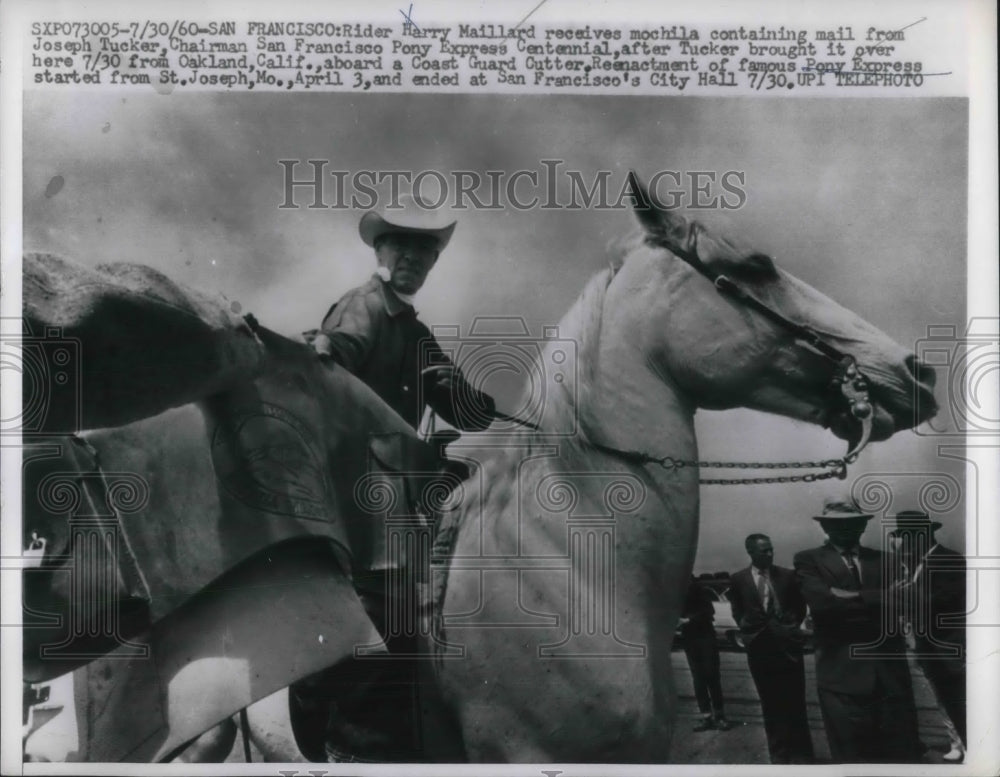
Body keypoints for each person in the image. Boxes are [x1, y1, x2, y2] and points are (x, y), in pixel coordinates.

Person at [311, 194, 496, 434]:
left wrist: (462, 393)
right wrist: (323, 348)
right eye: (400, 244)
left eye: (422, 247)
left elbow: (473, 419)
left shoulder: (418, 336)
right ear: (379, 251)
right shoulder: (365, 305)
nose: (410, 256)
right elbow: (334, 354)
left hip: (394, 468)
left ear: (434, 260)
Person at [793, 497, 922, 763]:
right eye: (835, 524)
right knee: (852, 759)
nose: (844, 529)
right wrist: (882, 596)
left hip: (889, 676)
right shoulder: (809, 559)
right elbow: (823, 604)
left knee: (898, 758)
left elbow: (906, 600)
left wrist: (848, 597)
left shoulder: (885, 559)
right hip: (841, 677)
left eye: (853, 523)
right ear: (825, 527)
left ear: (863, 526)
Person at [888, 510, 966, 762]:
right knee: (942, 696)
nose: (905, 543)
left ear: (923, 535)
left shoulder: (949, 559)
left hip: (947, 643)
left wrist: (908, 594)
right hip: (926, 644)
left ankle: (970, 743)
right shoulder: (914, 565)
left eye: (908, 537)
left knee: (959, 696)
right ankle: (958, 742)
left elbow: (945, 600)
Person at [729, 534, 814, 763]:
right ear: (751, 553)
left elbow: (800, 606)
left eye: (771, 550)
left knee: (795, 701)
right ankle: (779, 756)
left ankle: (803, 756)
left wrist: (790, 628)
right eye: (763, 551)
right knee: (770, 703)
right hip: (759, 647)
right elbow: (737, 608)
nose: (769, 554)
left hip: (788, 647)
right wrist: (745, 626)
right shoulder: (738, 579)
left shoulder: (787, 576)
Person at [679, 576, 733, 732]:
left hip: (706, 637)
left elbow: (710, 610)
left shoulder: (699, 590)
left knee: (712, 675)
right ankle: (706, 717)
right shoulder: (675, 594)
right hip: (689, 639)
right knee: (698, 678)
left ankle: (720, 716)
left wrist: (687, 621)